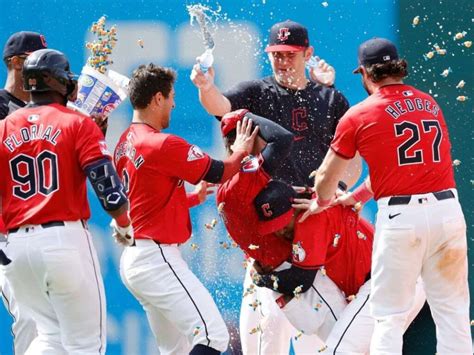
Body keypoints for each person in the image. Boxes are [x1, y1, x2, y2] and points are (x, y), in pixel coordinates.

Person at [304, 37, 472, 354]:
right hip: (447, 212)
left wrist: (322, 201)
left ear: (366, 73)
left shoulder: (359, 114)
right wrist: (358, 196)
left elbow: (326, 176)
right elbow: (412, 169)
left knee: (388, 319)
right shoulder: (429, 103)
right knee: (453, 319)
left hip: (401, 220)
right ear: (397, 67)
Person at [114, 63, 259, 355]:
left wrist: (191, 199)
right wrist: (242, 148)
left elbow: (144, 200)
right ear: (157, 98)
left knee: (176, 350)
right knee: (213, 336)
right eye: (170, 97)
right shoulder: (160, 143)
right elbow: (220, 171)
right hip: (156, 258)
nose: (173, 103)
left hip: (135, 256)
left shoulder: (123, 142)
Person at [0, 48, 132, 354]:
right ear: (60, 82)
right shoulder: (76, 123)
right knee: (87, 345)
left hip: (17, 250)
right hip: (63, 241)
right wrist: (124, 223)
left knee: (49, 339)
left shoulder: (4, 126)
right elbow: (109, 190)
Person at [217, 109, 342, 354]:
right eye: (258, 134)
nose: (264, 142)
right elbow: (283, 138)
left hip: (268, 273)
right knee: (338, 344)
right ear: (247, 135)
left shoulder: (230, 180)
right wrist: (246, 117)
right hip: (289, 273)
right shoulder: (243, 176)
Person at [191, 19, 360, 188]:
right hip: (270, 204)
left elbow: (352, 157)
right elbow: (221, 107)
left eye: (290, 55)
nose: (283, 61)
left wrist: (334, 190)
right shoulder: (256, 92)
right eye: (277, 54)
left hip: (317, 203)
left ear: (307, 54)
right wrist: (206, 87)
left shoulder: (331, 98)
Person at [0, 30, 48, 355]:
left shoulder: (44, 110)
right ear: (17, 63)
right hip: (7, 236)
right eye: (36, 61)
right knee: (31, 320)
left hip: (45, 233)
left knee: (62, 322)